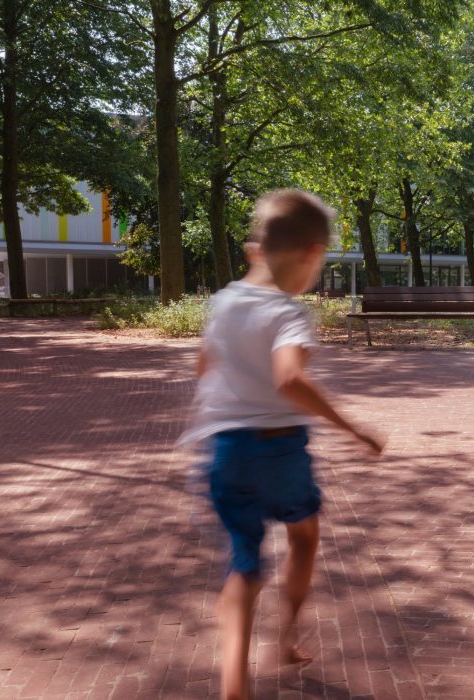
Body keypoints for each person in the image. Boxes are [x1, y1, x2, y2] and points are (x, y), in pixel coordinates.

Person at [178, 189, 383, 700]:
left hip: (225, 451)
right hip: (279, 449)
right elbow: (289, 380)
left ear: (255, 250)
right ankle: (287, 637)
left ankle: (234, 683)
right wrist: (352, 428)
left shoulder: (223, 301)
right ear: (311, 254)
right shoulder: (288, 313)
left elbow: (205, 362)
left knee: (244, 563)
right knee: (304, 536)